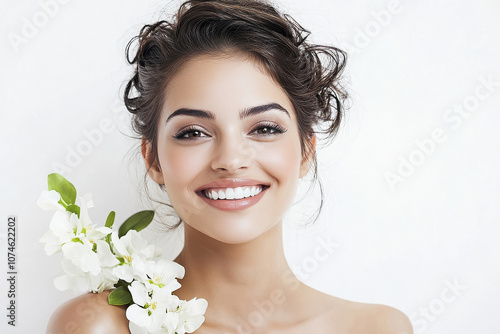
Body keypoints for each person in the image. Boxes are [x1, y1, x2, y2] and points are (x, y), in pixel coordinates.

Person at [46, 0, 413, 333]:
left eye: (265, 128)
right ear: (152, 159)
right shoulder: (99, 326)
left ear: (305, 152)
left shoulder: (378, 328)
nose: (231, 160)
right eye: (192, 132)